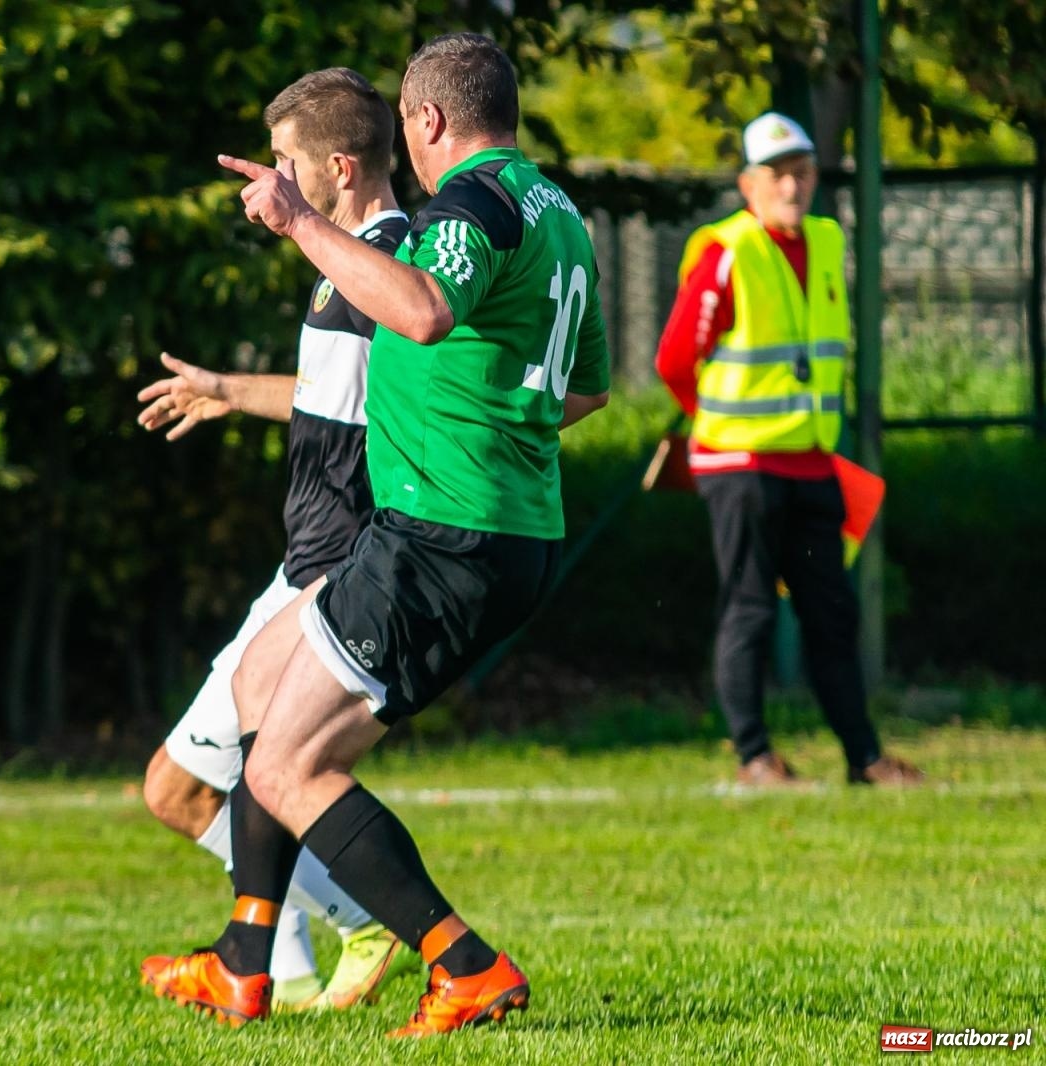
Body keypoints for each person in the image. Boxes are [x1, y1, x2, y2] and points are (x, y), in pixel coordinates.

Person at [140, 33, 611, 1037]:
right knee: (262, 682)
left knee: (285, 768)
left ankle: (462, 962)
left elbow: (426, 311)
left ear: (428, 119)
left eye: (406, 123)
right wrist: (484, 427)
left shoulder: (472, 206)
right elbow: (584, 388)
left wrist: (298, 218)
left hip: (444, 533)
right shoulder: (557, 212)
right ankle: (245, 958)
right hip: (489, 525)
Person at [134, 67, 415, 1013]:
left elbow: (399, 418)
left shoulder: (387, 268)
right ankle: (280, 974)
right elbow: (332, 401)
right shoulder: (351, 266)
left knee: (197, 786)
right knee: (193, 787)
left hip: (331, 573)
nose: (274, 183)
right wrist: (227, 390)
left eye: (288, 163)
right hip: (307, 564)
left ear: (341, 167)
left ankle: (354, 926)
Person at [654, 112, 923, 788]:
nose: (791, 186)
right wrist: (716, 427)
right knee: (749, 608)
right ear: (749, 185)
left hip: (810, 461)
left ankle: (864, 758)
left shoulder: (826, 242)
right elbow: (675, 359)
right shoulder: (727, 250)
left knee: (832, 613)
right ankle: (755, 757)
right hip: (741, 466)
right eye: (776, 174)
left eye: (801, 172)